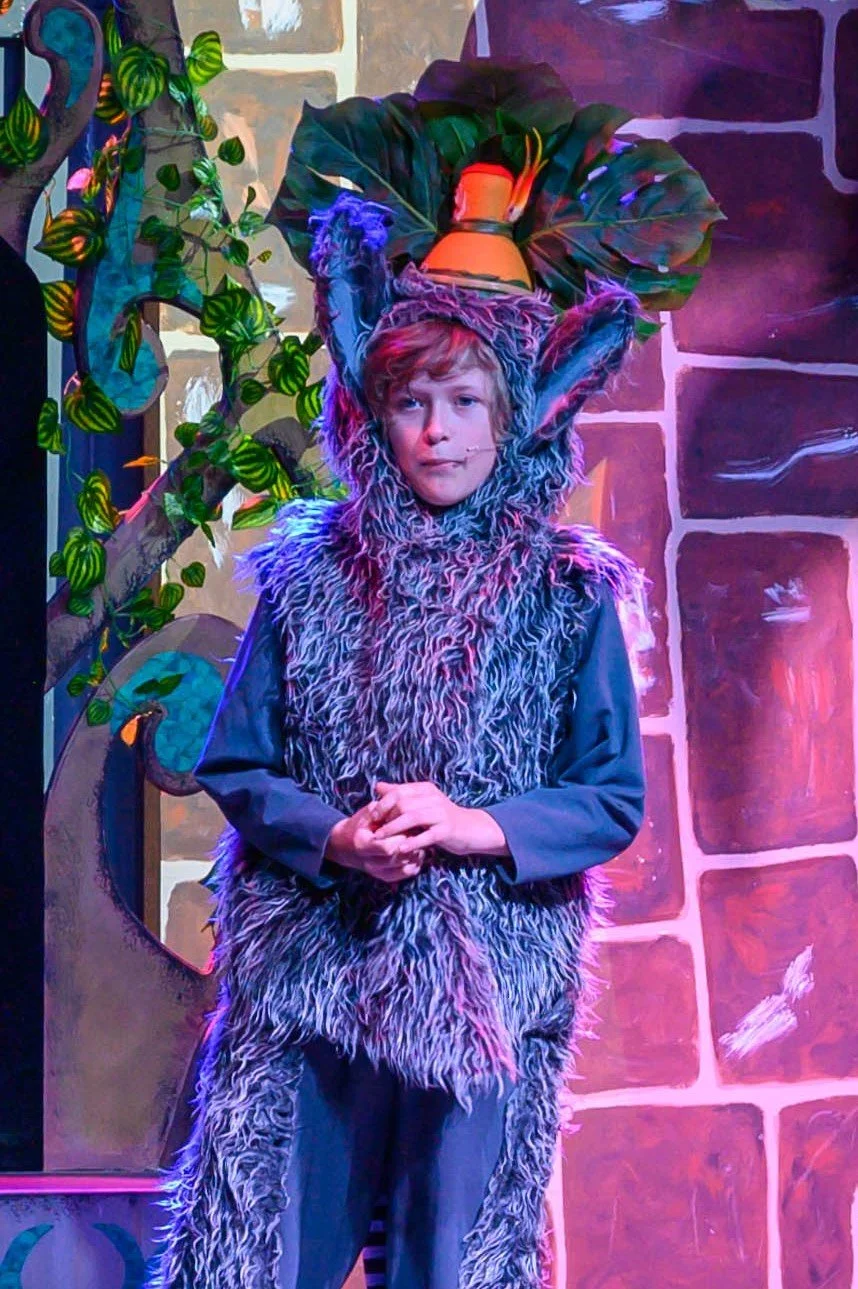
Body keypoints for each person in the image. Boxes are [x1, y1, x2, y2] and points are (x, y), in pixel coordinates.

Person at [150, 165, 646, 1289]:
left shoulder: (567, 592)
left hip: (486, 979)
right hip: (317, 965)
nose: (438, 432)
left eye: (465, 403)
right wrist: (336, 837)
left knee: (452, 1255)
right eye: (413, 403)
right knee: (267, 1245)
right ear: (375, 416)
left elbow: (608, 794)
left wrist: (472, 825)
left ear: (515, 417)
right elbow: (241, 760)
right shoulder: (313, 574)